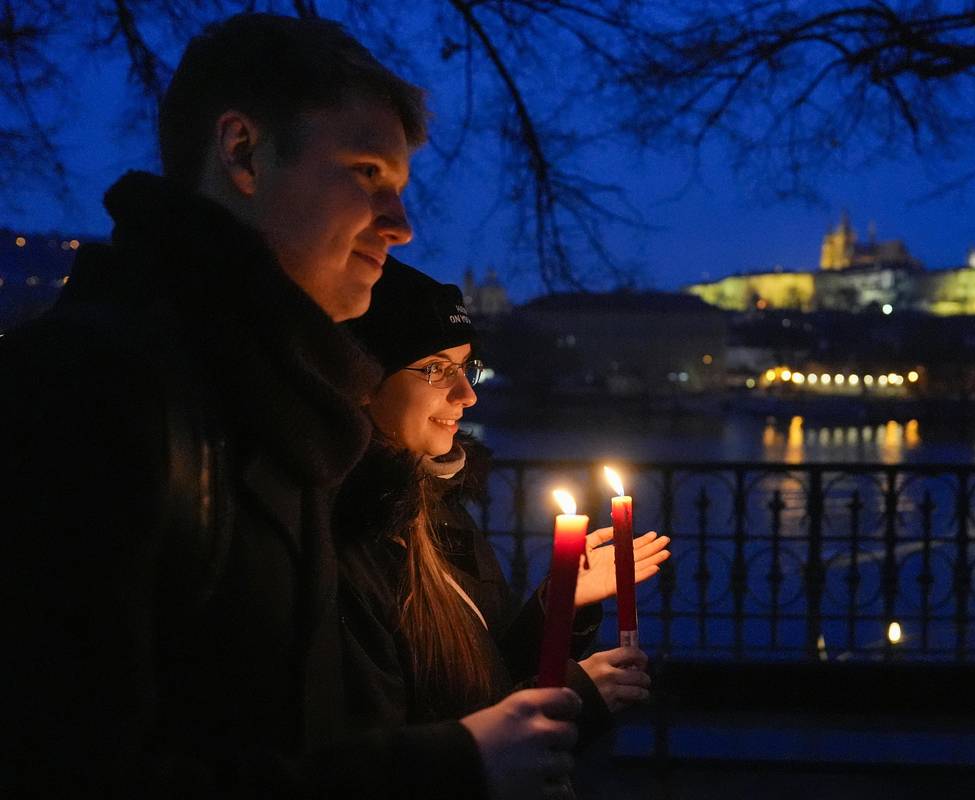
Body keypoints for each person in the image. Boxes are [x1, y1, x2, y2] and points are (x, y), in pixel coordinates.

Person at [1, 13, 577, 799]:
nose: (401, 226)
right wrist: (451, 766)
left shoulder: (285, 406)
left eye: (400, 187)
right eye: (368, 172)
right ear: (242, 152)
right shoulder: (86, 396)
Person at [336, 262, 671, 748]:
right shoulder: (348, 531)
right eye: (435, 368)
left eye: (465, 366)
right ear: (363, 380)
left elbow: (488, 669)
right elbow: (389, 753)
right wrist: (572, 694)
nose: (467, 394)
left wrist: (560, 604)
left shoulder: (435, 505)